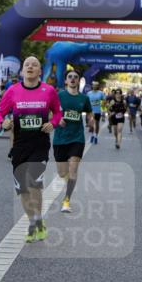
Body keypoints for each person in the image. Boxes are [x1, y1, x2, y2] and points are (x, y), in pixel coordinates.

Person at [0, 56, 62, 243]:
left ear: (40, 71)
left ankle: (38, 220)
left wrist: (53, 123)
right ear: (22, 70)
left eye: (34, 65)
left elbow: (58, 112)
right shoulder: (13, 91)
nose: (30, 67)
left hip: (39, 144)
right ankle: (33, 222)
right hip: (20, 146)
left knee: (33, 182)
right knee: (22, 189)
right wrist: (3, 123)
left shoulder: (49, 91)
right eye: (27, 65)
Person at [53, 69, 91, 213]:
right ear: (66, 80)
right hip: (60, 138)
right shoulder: (59, 96)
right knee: (62, 173)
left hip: (77, 137)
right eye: (70, 77)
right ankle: (69, 182)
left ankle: (66, 201)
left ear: (79, 80)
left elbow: (89, 112)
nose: (73, 79)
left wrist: (90, 120)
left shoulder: (84, 98)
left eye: (76, 77)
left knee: (73, 168)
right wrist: (58, 119)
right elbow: (51, 112)